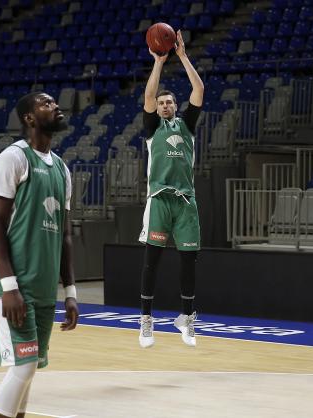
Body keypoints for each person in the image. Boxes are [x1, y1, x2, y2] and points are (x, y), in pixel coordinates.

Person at [0, 92, 79, 418]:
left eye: (54, 103)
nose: (56, 106)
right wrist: (9, 286)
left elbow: (64, 236)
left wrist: (71, 293)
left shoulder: (62, 170)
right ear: (29, 119)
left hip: (43, 286)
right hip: (12, 284)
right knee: (24, 367)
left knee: (30, 369)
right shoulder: (13, 158)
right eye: (46, 103)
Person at [137, 30, 204, 348]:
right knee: (153, 260)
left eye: (168, 102)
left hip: (185, 201)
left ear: (176, 106)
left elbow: (199, 89)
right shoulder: (152, 128)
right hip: (159, 200)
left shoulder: (187, 126)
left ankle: (187, 319)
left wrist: (182, 56)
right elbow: (147, 97)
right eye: (161, 103)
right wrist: (158, 62)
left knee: (188, 261)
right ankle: (146, 320)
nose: (163, 105)